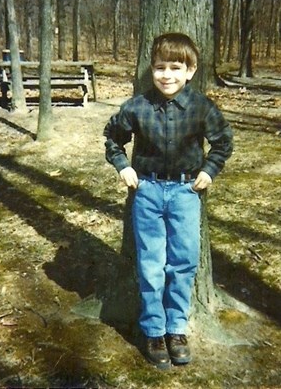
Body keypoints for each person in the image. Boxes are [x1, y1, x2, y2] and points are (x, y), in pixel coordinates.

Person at [103, 32, 233, 370]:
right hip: (146, 191)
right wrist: (123, 167)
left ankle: (176, 328)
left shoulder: (202, 107)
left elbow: (223, 142)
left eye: (176, 67)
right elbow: (113, 139)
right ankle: (154, 330)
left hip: (186, 193)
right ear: (151, 69)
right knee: (150, 264)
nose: (167, 75)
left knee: (184, 261)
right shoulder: (136, 107)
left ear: (190, 71)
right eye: (160, 67)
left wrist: (209, 170)